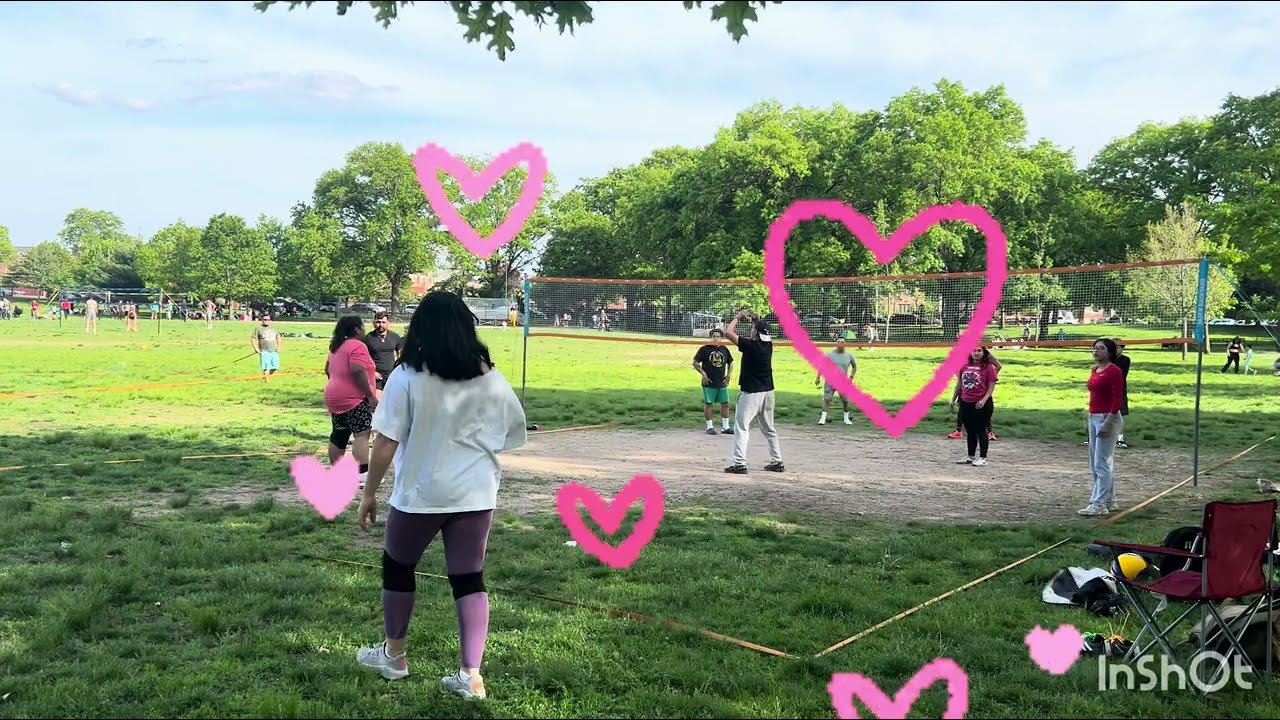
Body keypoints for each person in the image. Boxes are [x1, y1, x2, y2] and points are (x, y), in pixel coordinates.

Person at [354, 291, 528, 701]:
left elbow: (384, 444)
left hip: (421, 493)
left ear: (420, 329)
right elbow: (511, 434)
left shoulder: (407, 377)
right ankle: (472, 676)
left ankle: (394, 655)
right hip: (475, 494)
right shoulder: (491, 377)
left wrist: (368, 493)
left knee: (398, 566)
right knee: (469, 579)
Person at [723, 310, 783, 474]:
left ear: (755, 333)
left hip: (752, 394)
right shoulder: (768, 345)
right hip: (768, 392)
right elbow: (761, 330)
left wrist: (737, 317)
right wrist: (755, 319)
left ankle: (739, 463)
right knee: (769, 429)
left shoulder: (751, 345)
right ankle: (777, 461)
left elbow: (728, 332)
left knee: (741, 427)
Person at [324, 315, 378, 488]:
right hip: (354, 398)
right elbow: (356, 369)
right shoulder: (358, 345)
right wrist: (370, 394)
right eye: (362, 327)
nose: (364, 330)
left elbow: (327, 369)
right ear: (356, 329)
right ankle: (362, 474)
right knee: (362, 434)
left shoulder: (336, 346)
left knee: (339, 434)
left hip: (334, 397)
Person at [1079, 338, 1125, 517]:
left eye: (1101, 348)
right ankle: (1110, 499)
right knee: (1097, 461)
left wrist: (1109, 422)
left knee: (1101, 462)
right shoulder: (1095, 370)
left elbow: (1117, 398)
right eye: (1095, 348)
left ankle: (1098, 503)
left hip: (1107, 417)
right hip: (1094, 416)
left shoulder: (1114, 371)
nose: (1096, 351)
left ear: (1110, 352)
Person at [949, 346, 999, 467]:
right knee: (970, 431)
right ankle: (970, 456)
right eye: (974, 351)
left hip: (981, 402)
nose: (976, 353)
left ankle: (983, 457)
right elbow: (959, 385)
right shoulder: (964, 367)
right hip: (966, 402)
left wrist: (984, 400)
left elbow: (991, 386)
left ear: (983, 353)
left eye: (979, 351)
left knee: (981, 430)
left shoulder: (988, 367)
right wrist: (953, 399)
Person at [949, 353, 1001, 440]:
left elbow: (998, 366)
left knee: (984, 410)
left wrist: (987, 377)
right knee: (962, 408)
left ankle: (989, 432)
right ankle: (958, 430)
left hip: (980, 387)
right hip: (966, 384)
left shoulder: (983, 353)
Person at [692, 328, 734, 435]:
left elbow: (731, 362)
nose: (716, 338)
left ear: (721, 338)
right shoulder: (704, 349)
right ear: (710, 338)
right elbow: (695, 363)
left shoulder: (724, 349)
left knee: (725, 403)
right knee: (709, 403)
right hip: (709, 381)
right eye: (714, 336)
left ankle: (725, 427)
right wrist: (703, 373)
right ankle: (709, 427)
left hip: (721, 381)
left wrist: (728, 375)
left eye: (718, 336)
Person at [816, 337, 856, 426]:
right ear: (837, 344)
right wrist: (818, 377)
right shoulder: (830, 355)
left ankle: (846, 419)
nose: (841, 344)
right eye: (839, 342)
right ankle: (822, 419)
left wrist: (851, 377)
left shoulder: (849, 356)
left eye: (843, 343)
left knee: (845, 401)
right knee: (827, 399)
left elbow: (854, 366)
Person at [365, 312, 404, 400]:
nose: (380, 325)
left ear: (388, 323)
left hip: (391, 375)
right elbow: (363, 358)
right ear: (374, 323)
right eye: (378, 322)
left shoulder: (395, 337)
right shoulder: (368, 338)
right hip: (375, 375)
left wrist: (398, 371)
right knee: (377, 404)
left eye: (383, 322)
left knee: (392, 402)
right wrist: (372, 372)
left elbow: (401, 355)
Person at [251, 314, 283, 382]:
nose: (267, 321)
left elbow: (278, 337)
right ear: (262, 320)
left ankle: (265, 377)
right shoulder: (258, 328)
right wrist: (256, 349)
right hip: (264, 351)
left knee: (275, 367)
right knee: (266, 367)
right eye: (265, 319)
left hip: (274, 351)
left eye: (268, 320)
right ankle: (267, 381)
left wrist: (279, 347)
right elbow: (253, 338)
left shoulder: (274, 329)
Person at [1113, 339, 1131, 449]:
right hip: (1104, 390)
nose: (1115, 350)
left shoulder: (1125, 360)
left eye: (1118, 348)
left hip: (1119, 390)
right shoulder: (1106, 359)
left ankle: (1120, 439)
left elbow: (1119, 373)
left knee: (1119, 415)